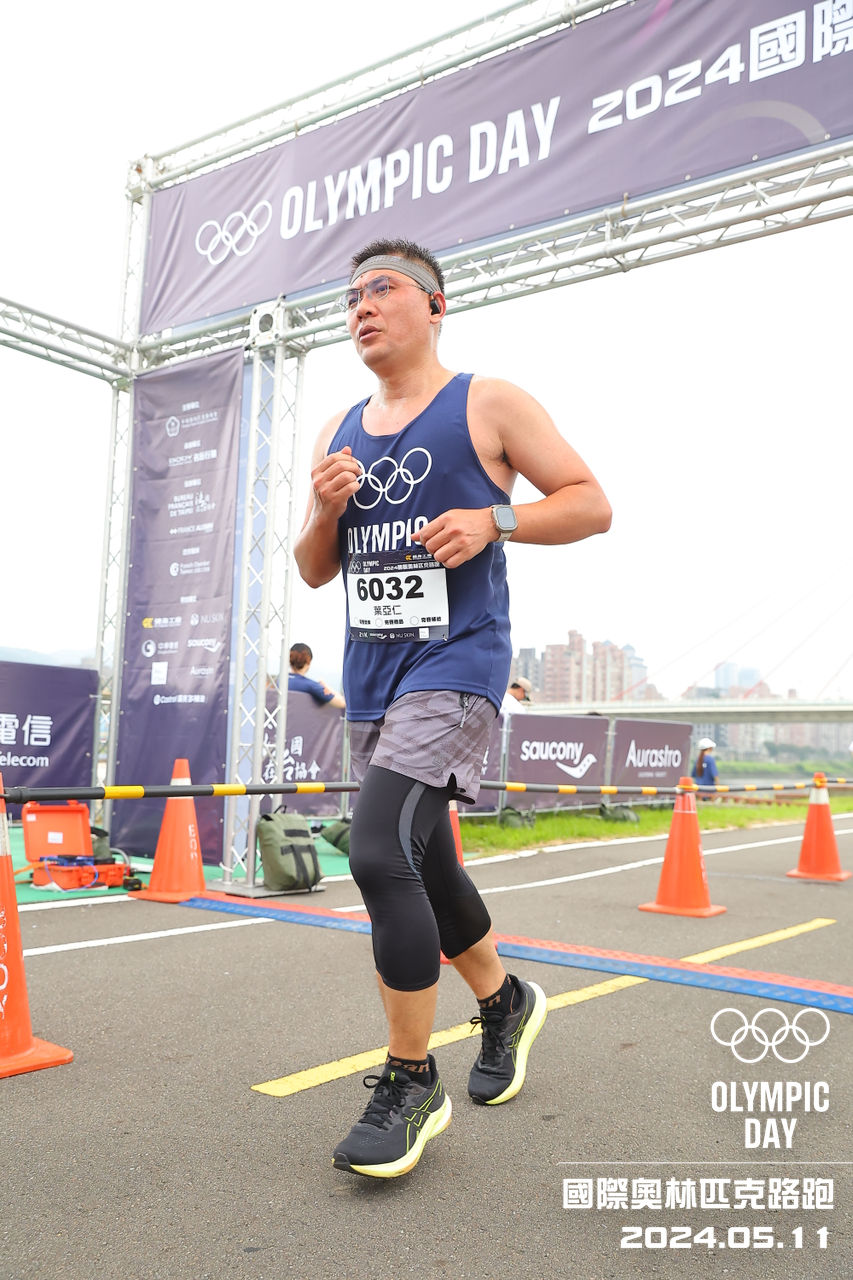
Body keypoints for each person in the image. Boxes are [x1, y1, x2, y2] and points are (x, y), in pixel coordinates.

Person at [294, 236, 611, 1179]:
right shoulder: (338, 428)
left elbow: (590, 503)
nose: (361, 306)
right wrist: (323, 511)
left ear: (434, 306)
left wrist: (494, 519)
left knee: (375, 851)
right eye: (351, 295)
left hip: (457, 663)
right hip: (372, 675)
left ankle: (409, 1081)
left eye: (382, 288)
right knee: (424, 863)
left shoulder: (487, 402)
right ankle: (505, 1001)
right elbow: (312, 568)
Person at [287, 642, 345, 709]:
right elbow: (342, 703)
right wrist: (325, 686)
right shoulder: (312, 686)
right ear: (308, 661)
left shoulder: (279, 681)